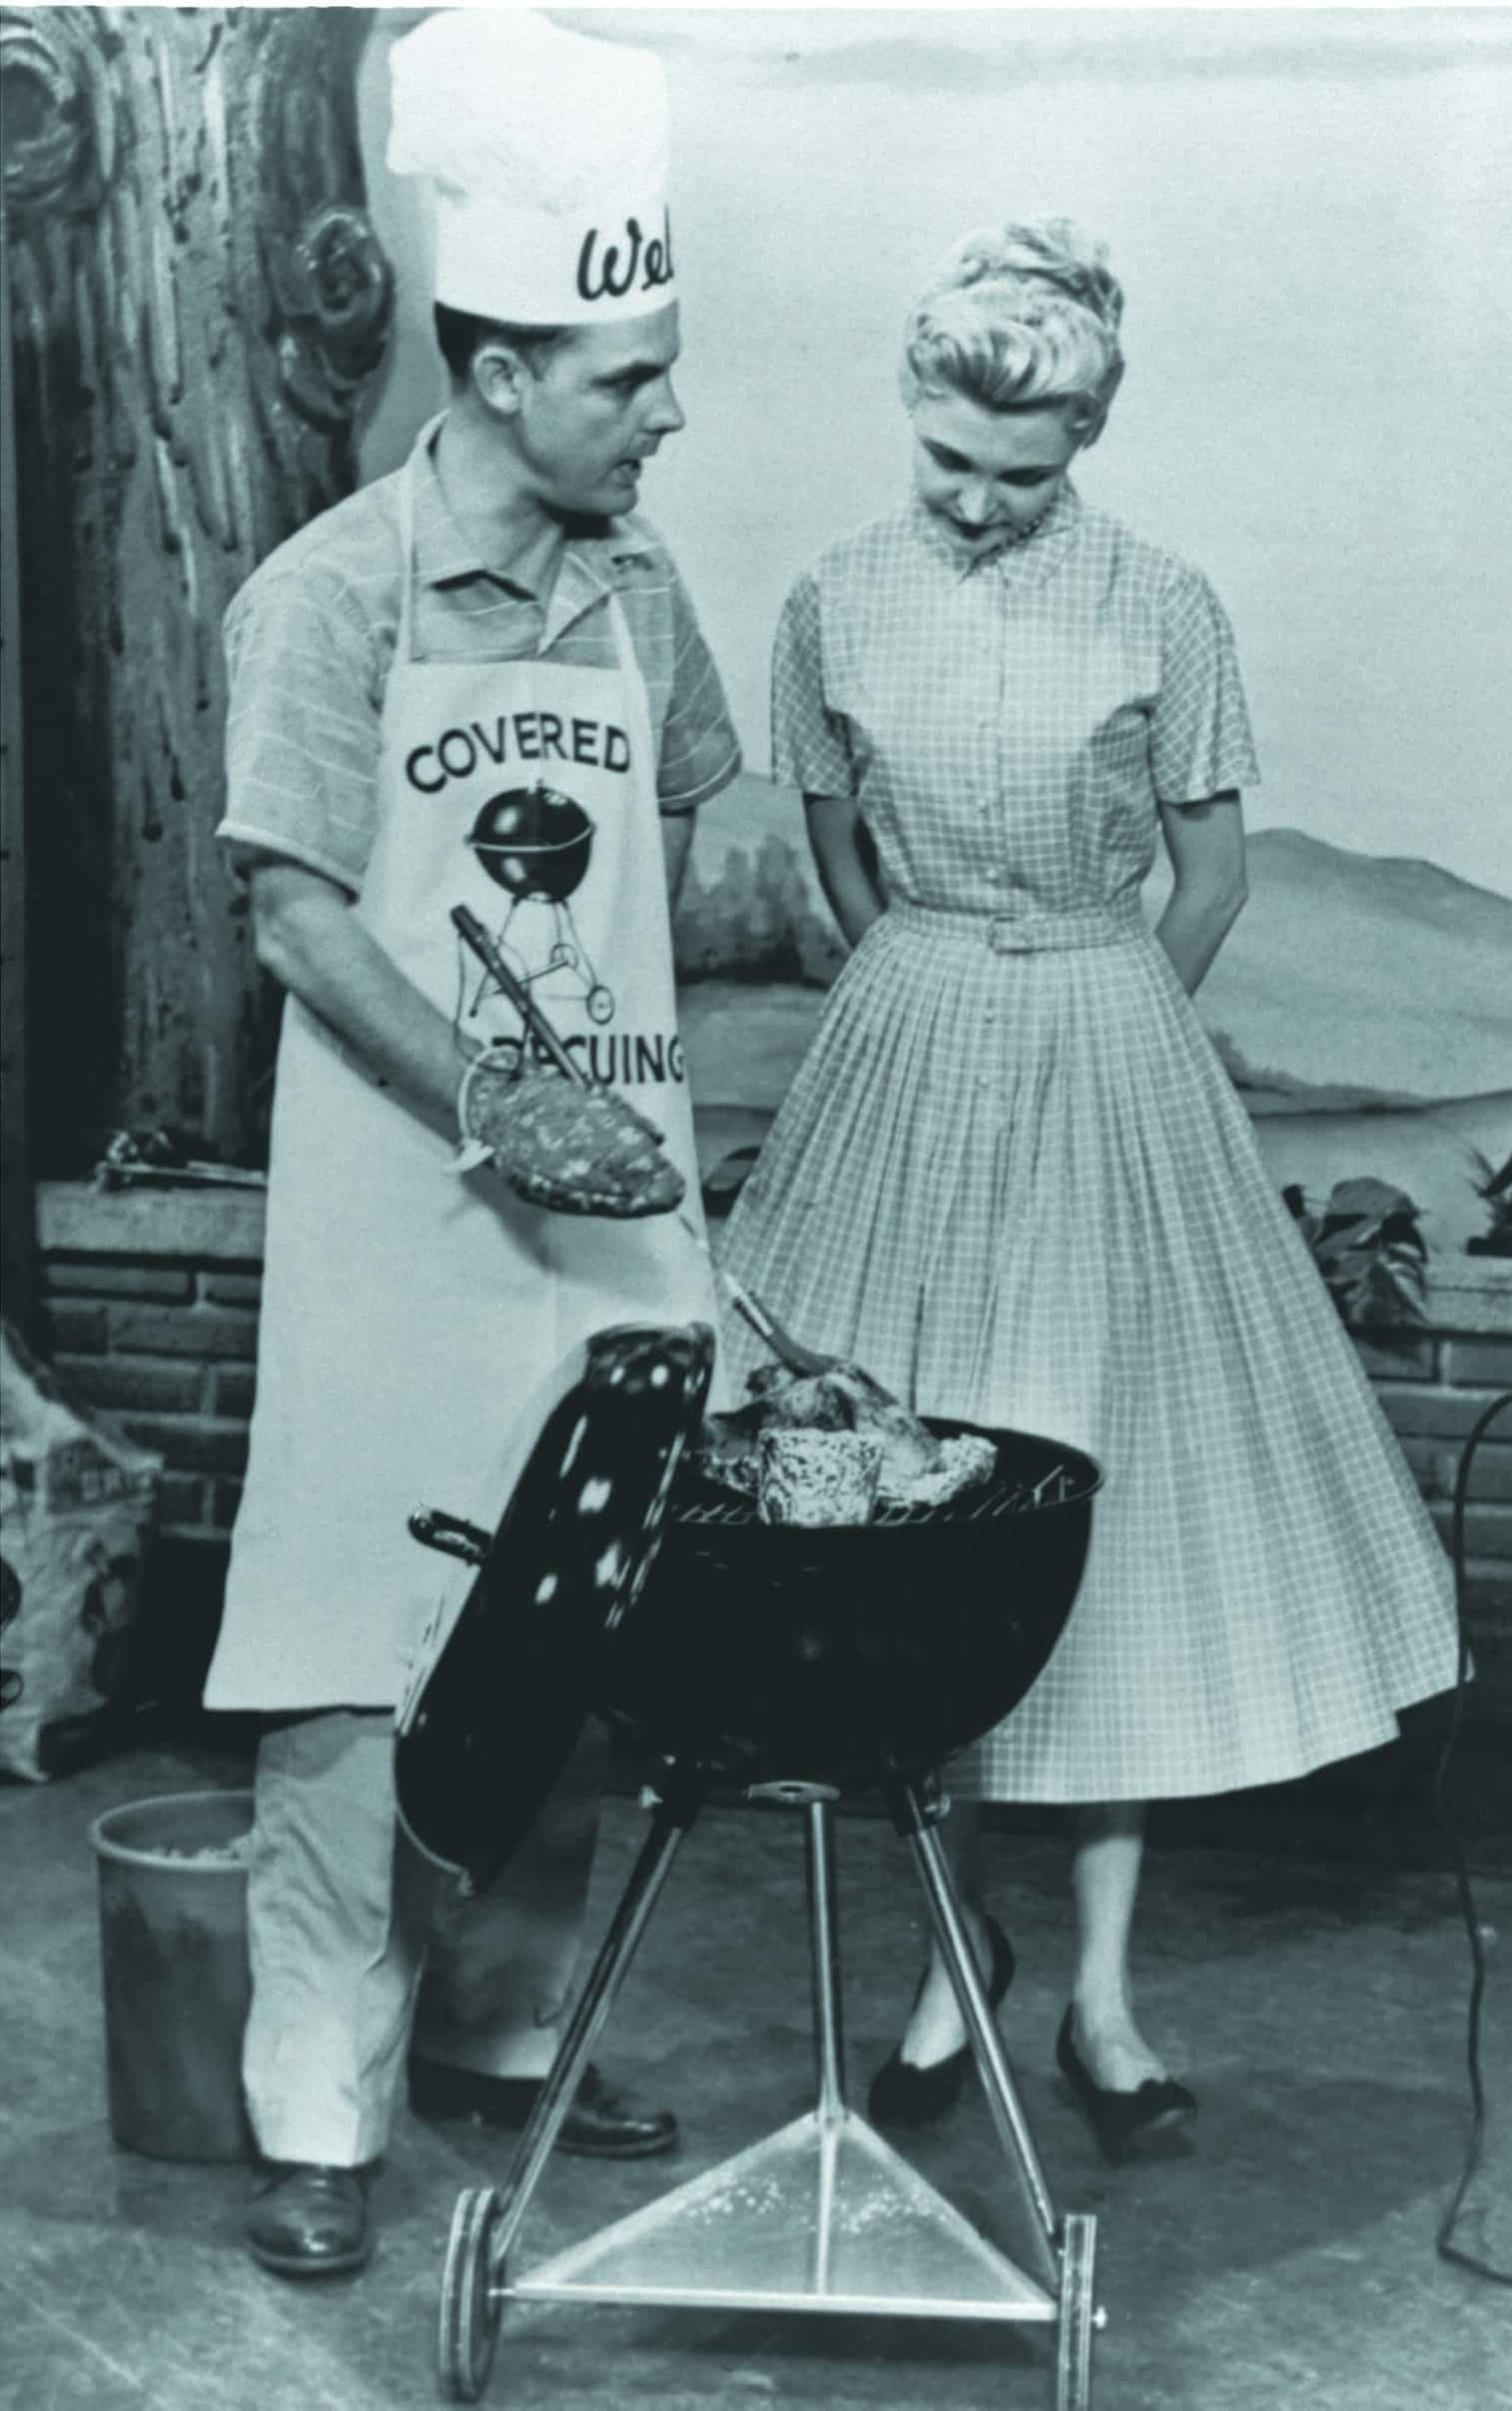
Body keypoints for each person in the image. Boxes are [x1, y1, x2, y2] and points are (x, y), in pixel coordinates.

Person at [713, 219, 1460, 2159]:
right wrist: (942, 996)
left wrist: (1103, 1027)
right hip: (908, 1052)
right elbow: (834, 856)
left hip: (1108, 1050)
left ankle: (1107, 1998)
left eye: (1019, 473)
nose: (974, 501)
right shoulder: (831, 599)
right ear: (910, 417)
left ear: (1087, 439)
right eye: (945, 461)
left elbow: (1208, 880)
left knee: (1103, 1505)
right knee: (912, 1504)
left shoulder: (1162, 605)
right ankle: (946, 1950)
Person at [201, 12, 742, 2275]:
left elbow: (687, 868)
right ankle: (317, 2100)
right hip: (402, 1212)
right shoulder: (326, 595)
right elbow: (296, 916)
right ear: (502, 363)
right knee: (355, 1649)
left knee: (582, 1627)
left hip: (613, 1211)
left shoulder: (644, 595)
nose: (669, 411)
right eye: (630, 375)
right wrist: (497, 1095)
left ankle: (508, 2032)